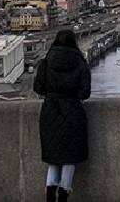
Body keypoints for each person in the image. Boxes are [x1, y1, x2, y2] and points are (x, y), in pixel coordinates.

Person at [33, 29, 91, 202]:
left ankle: (50, 193)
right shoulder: (80, 63)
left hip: (50, 111)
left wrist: (53, 94)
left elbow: (38, 88)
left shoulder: (45, 63)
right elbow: (85, 93)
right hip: (73, 112)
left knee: (54, 156)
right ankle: (64, 194)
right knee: (69, 156)